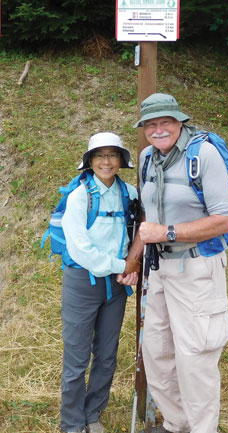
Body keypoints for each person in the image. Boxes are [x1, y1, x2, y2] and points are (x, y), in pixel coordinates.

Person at [126, 93, 228, 433]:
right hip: (157, 271)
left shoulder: (204, 155)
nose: (158, 130)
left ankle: (203, 429)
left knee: (194, 359)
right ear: (144, 128)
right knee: (157, 354)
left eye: (165, 122)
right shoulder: (147, 157)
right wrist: (132, 262)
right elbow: (148, 219)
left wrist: (168, 232)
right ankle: (177, 424)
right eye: (151, 124)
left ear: (179, 121)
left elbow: (223, 220)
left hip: (197, 269)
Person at [60, 132, 140, 433]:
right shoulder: (80, 196)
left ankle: (92, 415)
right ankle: (71, 424)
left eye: (113, 155)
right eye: (100, 156)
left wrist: (132, 268)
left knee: (107, 355)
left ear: (121, 160)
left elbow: (137, 237)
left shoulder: (130, 193)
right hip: (83, 282)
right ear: (90, 161)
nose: (107, 161)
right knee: (76, 358)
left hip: (116, 285)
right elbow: (80, 249)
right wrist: (123, 265)